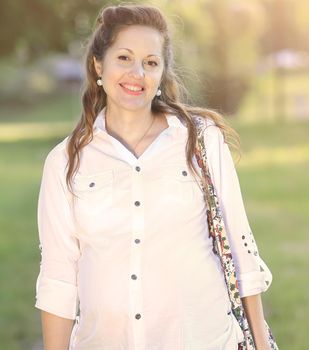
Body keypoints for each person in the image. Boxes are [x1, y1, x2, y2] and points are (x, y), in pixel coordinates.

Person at [34, 4, 274, 350]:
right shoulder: (65, 161)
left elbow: (241, 253)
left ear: (162, 73)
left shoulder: (200, 141)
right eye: (124, 58)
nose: (137, 73)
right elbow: (58, 280)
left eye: (150, 62)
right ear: (98, 65)